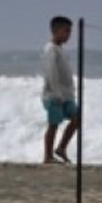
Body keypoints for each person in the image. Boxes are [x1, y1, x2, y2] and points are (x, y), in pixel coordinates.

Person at [41, 15, 79, 164]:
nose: (69, 35)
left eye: (70, 32)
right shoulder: (51, 49)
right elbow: (51, 73)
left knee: (77, 118)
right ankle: (48, 156)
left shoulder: (61, 49)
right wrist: (56, 93)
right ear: (55, 31)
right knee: (54, 124)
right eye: (66, 31)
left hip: (66, 94)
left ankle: (61, 148)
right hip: (54, 95)